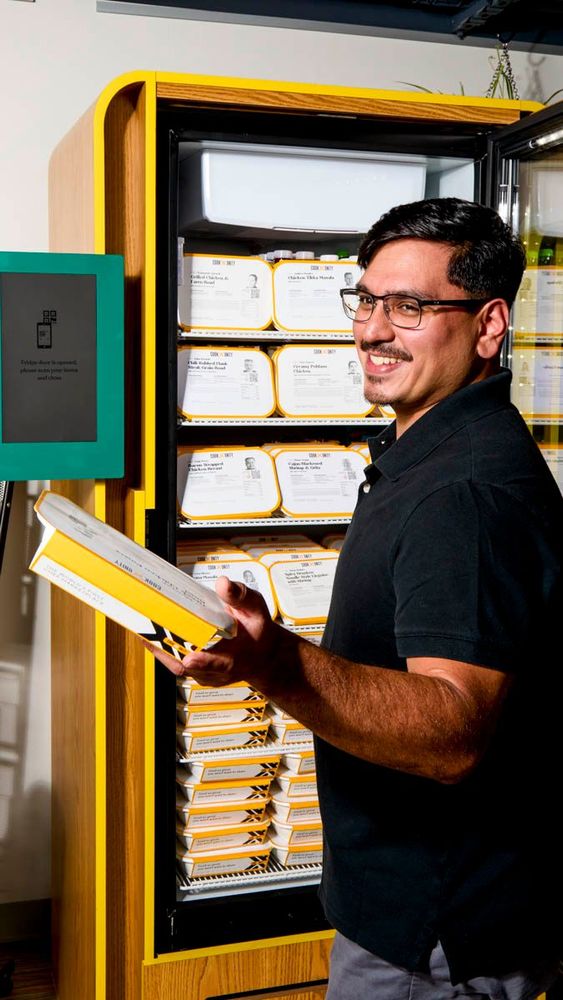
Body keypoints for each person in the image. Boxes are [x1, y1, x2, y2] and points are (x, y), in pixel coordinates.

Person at [149, 198, 563, 999]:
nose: (372, 330)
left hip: (434, 938)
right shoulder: (429, 449)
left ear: (487, 326)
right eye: (366, 300)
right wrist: (255, 659)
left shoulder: (465, 494)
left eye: (409, 307)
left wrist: (276, 662)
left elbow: (452, 732)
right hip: (412, 911)